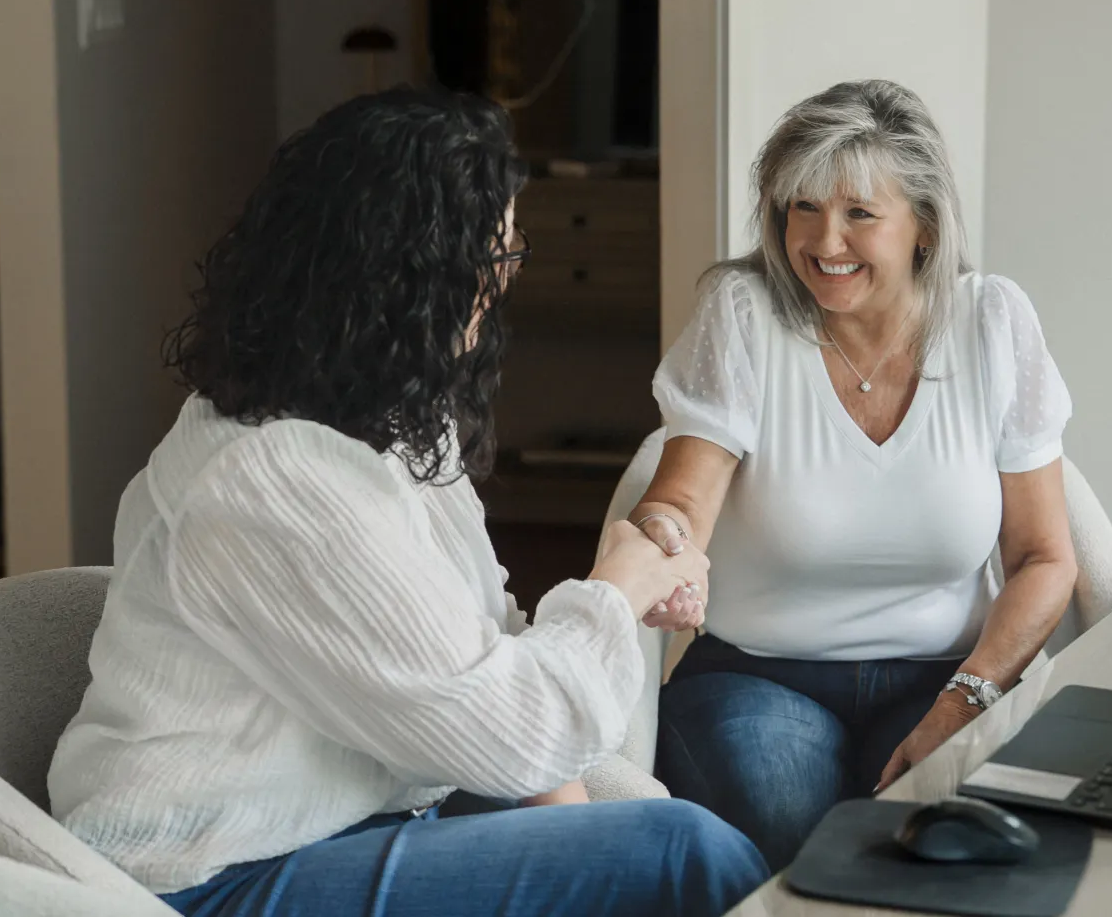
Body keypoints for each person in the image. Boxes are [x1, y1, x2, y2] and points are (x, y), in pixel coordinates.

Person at [47, 89, 770, 916]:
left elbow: (483, 656)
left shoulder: (384, 421)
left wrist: (579, 836)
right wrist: (616, 588)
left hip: (357, 819)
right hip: (210, 874)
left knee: (650, 839)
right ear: (406, 278)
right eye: (493, 260)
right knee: (685, 852)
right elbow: (512, 730)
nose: (501, 287)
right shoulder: (272, 480)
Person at [633, 79, 1080, 871]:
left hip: (948, 671)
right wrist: (668, 547)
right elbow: (680, 500)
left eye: (859, 214)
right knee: (792, 819)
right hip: (758, 674)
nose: (822, 240)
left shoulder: (992, 322)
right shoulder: (745, 313)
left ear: (924, 228)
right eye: (801, 208)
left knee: (962, 829)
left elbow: (1045, 558)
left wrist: (964, 700)